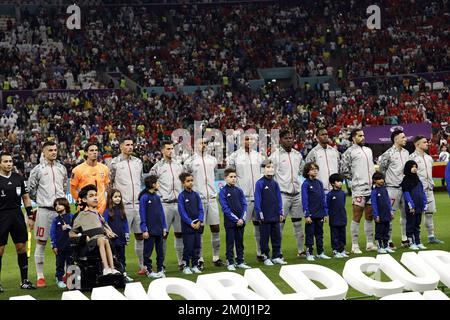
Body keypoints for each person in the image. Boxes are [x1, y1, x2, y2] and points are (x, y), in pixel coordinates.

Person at [28, 140, 68, 288]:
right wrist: (42, 201)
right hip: (44, 211)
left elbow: (64, 185)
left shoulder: (62, 168)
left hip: (61, 213)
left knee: (63, 243)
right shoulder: (37, 170)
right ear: (43, 152)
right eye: (50, 150)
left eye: (55, 150)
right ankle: (40, 276)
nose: (53, 152)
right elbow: (31, 190)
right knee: (41, 242)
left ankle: (63, 274)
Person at [108, 137, 145, 275]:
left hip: (137, 205)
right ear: (121, 147)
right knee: (120, 239)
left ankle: (142, 266)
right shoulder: (114, 163)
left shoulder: (138, 162)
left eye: (132, 144)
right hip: (123, 206)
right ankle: (120, 268)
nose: (130, 147)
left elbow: (139, 180)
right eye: (127, 145)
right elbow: (110, 183)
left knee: (140, 236)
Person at [184, 138, 223, 268]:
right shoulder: (189, 162)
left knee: (215, 227)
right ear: (195, 146)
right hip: (198, 199)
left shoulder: (212, 160)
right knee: (199, 229)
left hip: (212, 198)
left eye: (205, 143)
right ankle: (199, 258)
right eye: (201, 143)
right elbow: (185, 179)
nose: (203, 145)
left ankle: (216, 257)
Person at [0, 152, 36, 292]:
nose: (9, 164)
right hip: (1, 216)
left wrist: (30, 216)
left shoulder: (18, 178)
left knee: (21, 247)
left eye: (10, 161)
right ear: (0, 163)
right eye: (5, 161)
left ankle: (25, 281)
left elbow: (26, 198)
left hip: (17, 215)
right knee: (0, 250)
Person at [226, 134, 264, 261]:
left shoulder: (259, 156)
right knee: (239, 226)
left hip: (258, 197)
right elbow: (229, 175)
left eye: (251, 139)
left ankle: (260, 253)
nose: (249, 141)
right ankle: (238, 255)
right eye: (246, 139)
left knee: (259, 225)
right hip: (243, 198)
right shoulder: (234, 156)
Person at [70, 184, 121, 276]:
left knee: (105, 240)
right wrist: (81, 236)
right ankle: (106, 267)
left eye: (95, 195)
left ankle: (112, 268)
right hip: (90, 243)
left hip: (102, 239)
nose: (95, 198)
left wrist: (108, 231)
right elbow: (72, 233)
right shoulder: (80, 216)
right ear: (84, 200)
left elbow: (105, 227)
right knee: (102, 240)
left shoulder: (98, 214)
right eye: (91, 196)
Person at [269, 129, 305, 257]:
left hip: (297, 194)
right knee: (279, 225)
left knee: (298, 223)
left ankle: (301, 251)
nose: (289, 140)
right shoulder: (274, 156)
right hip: (282, 195)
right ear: (280, 140)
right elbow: (269, 175)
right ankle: (278, 252)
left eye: (291, 138)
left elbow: (301, 171)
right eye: (286, 138)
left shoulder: (298, 155)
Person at [149, 141, 184, 270]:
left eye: (172, 148)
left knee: (180, 234)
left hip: (179, 203)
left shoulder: (179, 165)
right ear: (162, 151)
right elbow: (151, 185)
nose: (171, 151)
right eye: (168, 149)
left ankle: (181, 262)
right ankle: (161, 264)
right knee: (163, 235)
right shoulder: (157, 167)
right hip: (165, 204)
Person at [341, 128, 376, 254]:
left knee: (369, 216)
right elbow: (344, 170)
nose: (363, 137)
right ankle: (355, 245)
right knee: (357, 216)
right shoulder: (348, 152)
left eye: (363, 135)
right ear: (353, 138)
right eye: (360, 136)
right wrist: (355, 180)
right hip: (358, 189)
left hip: (371, 188)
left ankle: (369, 243)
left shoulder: (368, 150)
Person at [409, 136, 444, 244]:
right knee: (416, 215)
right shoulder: (411, 158)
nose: (427, 144)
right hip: (418, 191)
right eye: (424, 142)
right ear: (417, 144)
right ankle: (414, 238)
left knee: (429, 214)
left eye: (427, 142)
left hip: (429, 190)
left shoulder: (429, 158)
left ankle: (431, 237)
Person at [378, 130, 410, 249]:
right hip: (392, 188)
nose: (405, 139)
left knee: (405, 214)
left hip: (405, 188)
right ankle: (389, 239)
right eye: (403, 137)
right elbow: (382, 171)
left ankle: (405, 238)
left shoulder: (407, 153)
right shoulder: (388, 154)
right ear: (396, 139)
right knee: (390, 215)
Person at [254, 160, 287, 266]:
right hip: (265, 216)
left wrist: (281, 212)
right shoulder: (260, 183)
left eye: (272, 167)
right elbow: (257, 199)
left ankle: (276, 256)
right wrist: (260, 213)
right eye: (268, 167)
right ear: (263, 169)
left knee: (277, 236)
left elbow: (279, 199)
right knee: (264, 237)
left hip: (275, 215)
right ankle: (265, 256)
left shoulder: (275, 183)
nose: (270, 169)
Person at [219, 168, 251, 271]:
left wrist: (242, 218)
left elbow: (244, 204)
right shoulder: (223, 192)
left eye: (234, 177)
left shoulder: (239, 190)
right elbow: (225, 208)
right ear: (225, 178)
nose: (233, 179)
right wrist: (236, 219)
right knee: (230, 242)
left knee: (240, 241)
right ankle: (230, 261)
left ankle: (240, 261)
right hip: (230, 222)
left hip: (241, 222)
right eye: (231, 177)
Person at [139, 175, 168, 279]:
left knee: (160, 252)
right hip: (149, 231)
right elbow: (142, 214)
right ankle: (149, 270)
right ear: (153, 184)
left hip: (159, 229)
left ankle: (160, 269)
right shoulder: (144, 197)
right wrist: (144, 229)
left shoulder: (156, 197)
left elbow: (161, 213)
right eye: (157, 182)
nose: (159, 184)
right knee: (148, 252)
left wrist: (164, 227)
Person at [301, 162, 330, 261]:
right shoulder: (305, 184)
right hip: (311, 215)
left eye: (316, 169)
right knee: (309, 235)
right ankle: (309, 253)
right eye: (313, 169)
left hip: (320, 214)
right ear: (307, 172)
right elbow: (305, 201)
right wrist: (307, 215)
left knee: (319, 234)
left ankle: (320, 252)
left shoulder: (319, 183)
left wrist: (325, 213)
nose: (315, 171)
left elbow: (323, 198)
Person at [70, 143, 110, 214]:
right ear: (86, 153)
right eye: (91, 150)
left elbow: (106, 186)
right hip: (85, 209)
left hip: (102, 208)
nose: (94, 152)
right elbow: (73, 189)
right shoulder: (77, 170)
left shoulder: (104, 168)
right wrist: (81, 201)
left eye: (96, 150)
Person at [104, 189, 133, 283]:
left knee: (122, 257)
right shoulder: (107, 211)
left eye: (119, 197)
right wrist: (109, 234)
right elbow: (105, 224)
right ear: (110, 198)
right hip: (112, 240)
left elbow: (126, 225)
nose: (118, 199)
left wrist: (127, 237)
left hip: (121, 238)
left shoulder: (121, 210)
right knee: (113, 258)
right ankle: (115, 276)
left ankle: (124, 274)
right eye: (115, 197)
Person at [177, 172, 204, 275]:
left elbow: (201, 209)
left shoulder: (196, 195)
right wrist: (190, 223)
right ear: (183, 183)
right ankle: (186, 266)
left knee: (197, 246)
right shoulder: (181, 196)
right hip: (188, 227)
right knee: (188, 247)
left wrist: (200, 221)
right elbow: (182, 212)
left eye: (192, 180)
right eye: (188, 181)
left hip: (197, 226)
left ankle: (195, 265)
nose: (190, 183)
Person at [401, 160, 428, 250]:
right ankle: (411, 242)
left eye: (416, 166)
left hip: (419, 206)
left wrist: (425, 203)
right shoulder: (406, 180)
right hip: (411, 207)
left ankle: (418, 242)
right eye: (412, 167)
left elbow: (422, 192)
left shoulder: (417, 179)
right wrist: (411, 206)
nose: (414, 168)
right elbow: (406, 194)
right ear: (408, 168)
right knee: (411, 225)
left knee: (417, 225)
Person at [305, 127, 340, 193]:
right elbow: (307, 171)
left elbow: (339, 168)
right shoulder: (313, 152)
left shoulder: (334, 151)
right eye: (322, 135)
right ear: (317, 138)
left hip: (335, 189)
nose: (325, 136)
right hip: (321, 191)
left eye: (326, 134)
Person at [50, 197, 73, 289]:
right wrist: (54, 245)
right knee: (59, 264)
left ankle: (71, 280)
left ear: (65, 204)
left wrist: (68, 227)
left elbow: (76, 228)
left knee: (70, 263)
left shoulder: (71, 216)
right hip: (60, 246)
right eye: (55, 205)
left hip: (70, 245)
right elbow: (52, 233)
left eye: (59, 204)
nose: (57, 207)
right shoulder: (55, 220)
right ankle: (59, 279)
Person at [371, 172, 395, 254]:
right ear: (374, 180)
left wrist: (391, 211)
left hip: (386, 214)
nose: (381, 180)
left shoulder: (384, 190)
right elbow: (374, 204)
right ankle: (379, 247)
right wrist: (376, 215)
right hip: (379, 216)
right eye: (379, 179)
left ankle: (386, 246)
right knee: (379, 232)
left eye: (382, 179)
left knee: (386, 231)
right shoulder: (374, 191)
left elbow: (388, 202)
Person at [327, 174, 348, 258]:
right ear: (332, 183)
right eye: (338, 181)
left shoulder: (343, 193)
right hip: (334, 218)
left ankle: (342, 250)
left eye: (341, 181)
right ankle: (335, 250)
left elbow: (343, 204)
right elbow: (328, 205)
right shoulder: (330, 194)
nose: (340, 183)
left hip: (342, 217)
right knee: (335, 235)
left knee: (342, 235)